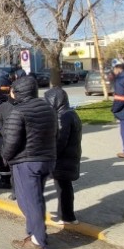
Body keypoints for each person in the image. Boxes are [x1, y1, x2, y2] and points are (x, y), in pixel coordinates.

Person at [2, 76, 57, 249]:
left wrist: (6, 158)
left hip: (26, 162)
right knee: (36, 199)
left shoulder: (18, 112)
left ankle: (37, 241)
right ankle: (35, 233)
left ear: (18, 92)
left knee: (28, 202)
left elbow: (11, 142)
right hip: (46, 159)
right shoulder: (48, 108)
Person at [44, 87, 82, 225]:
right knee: (64, 188)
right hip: (71, 157)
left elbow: (60, 140)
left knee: (63, 189)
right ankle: (66, 214)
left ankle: (67, 216)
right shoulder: (71, 113)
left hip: (63, 159)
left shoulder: (63, 117)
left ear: (55, 101)